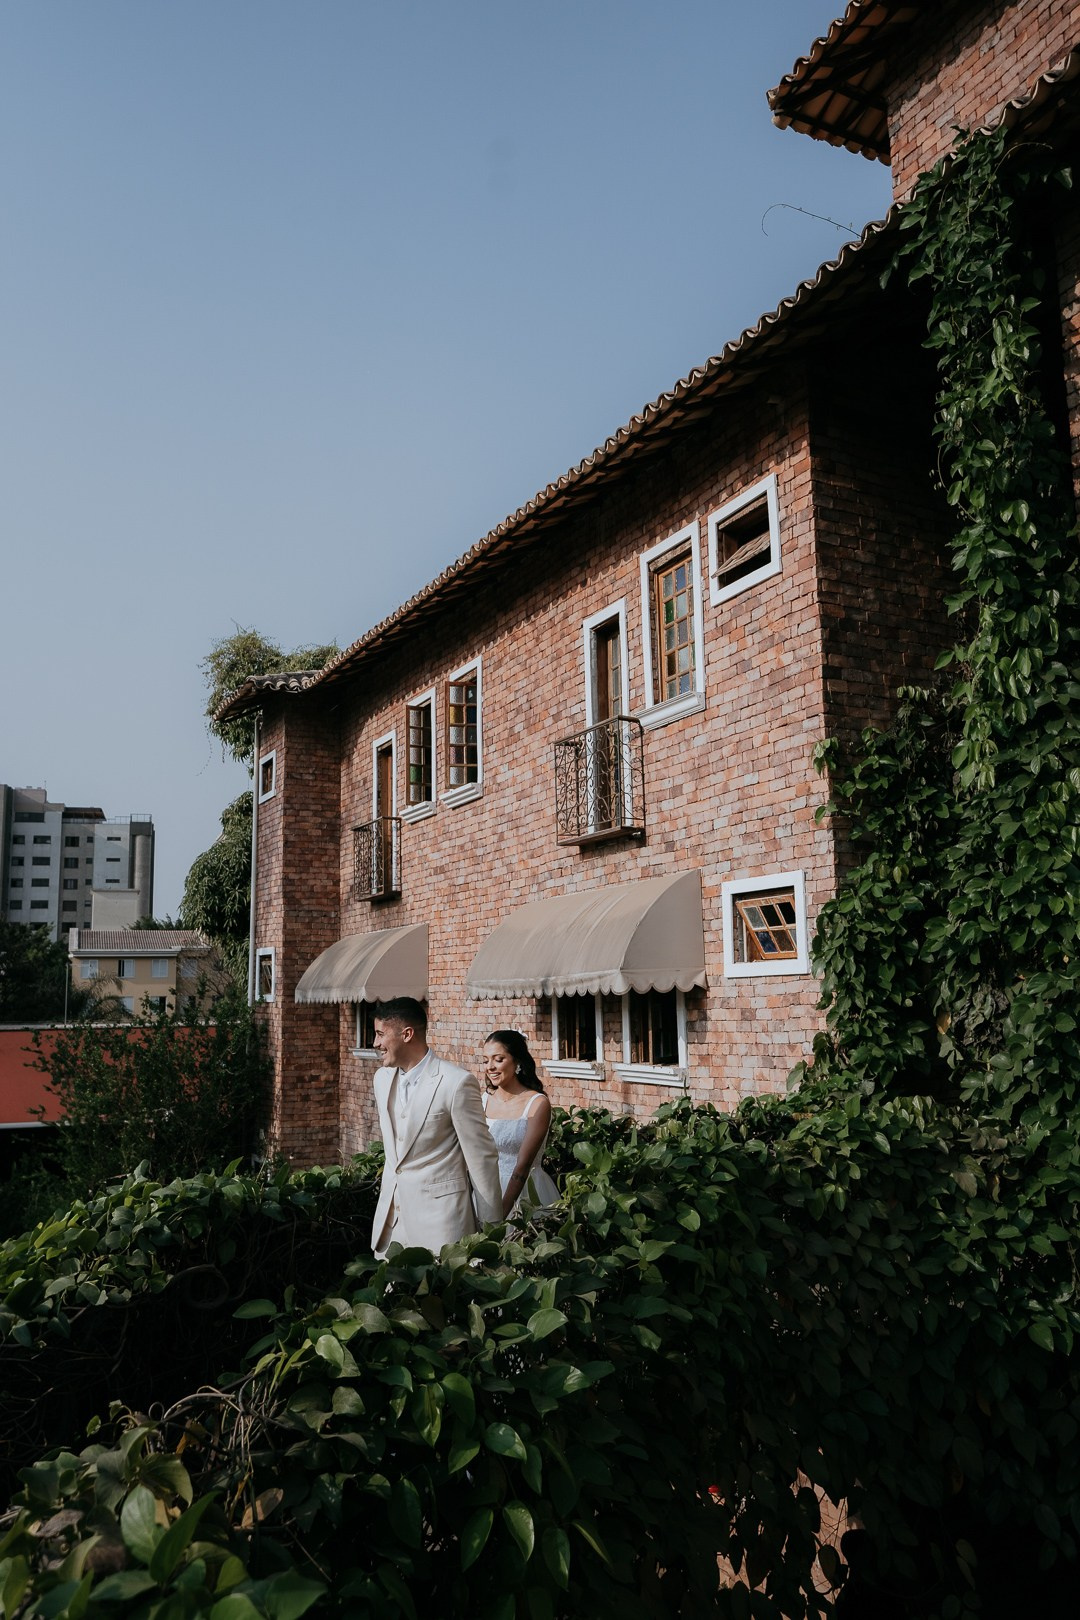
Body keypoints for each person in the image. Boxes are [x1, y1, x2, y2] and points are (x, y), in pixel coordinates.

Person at [370, 997, 503, 1257]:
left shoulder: (456, 1083)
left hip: (442, 1226)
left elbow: (481, 1158)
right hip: (391, 1225)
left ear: (407, 1034)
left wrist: (492, 1230)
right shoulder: (381, 1079)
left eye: (380, 1034)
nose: (375, 1043)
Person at [481, 1029, 559, 1219]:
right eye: (485, 1060)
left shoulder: (537, 1103)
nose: (490, 1067)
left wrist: (501, 1214)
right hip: (486, 1191)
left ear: (517, 1062)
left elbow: (522, 1166)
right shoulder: (483, 1100)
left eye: (498, 1059)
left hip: (526, 1192)